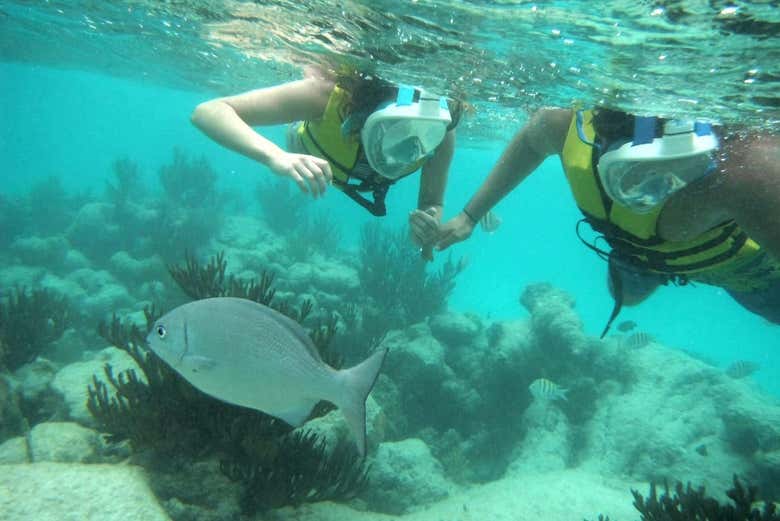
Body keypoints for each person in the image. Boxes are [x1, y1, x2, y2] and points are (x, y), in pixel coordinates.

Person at [435, 107, 780, 334]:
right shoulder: (562, 125)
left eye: (677, 172)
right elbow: (530, 140)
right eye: (635, 177)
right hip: (635, 250)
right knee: (624, 295)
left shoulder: (747, 172)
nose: (651, 191)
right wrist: (469, 216)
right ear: (598, 140)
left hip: (748, 276)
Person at [190, 67, 463, 260]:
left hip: (344, 173)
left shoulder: (440, 130)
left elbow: (432, 202)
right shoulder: (328, 96)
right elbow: (208, 112)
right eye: (394, 132)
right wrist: (276, 157)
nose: (404, 153)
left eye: (416, 143)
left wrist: (428, 226)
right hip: (304, 148)